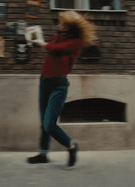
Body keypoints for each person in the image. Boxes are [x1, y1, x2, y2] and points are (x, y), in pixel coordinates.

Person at [28, 11, 97, 167]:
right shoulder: (59, 37)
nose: (58, 25)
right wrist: (37, 42)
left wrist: (44, 44)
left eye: (61, 23)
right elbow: (53, 47)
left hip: (58, 85)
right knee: (43, 122)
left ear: (69, 26)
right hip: (44, 81)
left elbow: (58, 48)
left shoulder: (76, 43)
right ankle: (43, 154)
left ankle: (71, 146)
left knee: (49, 124)